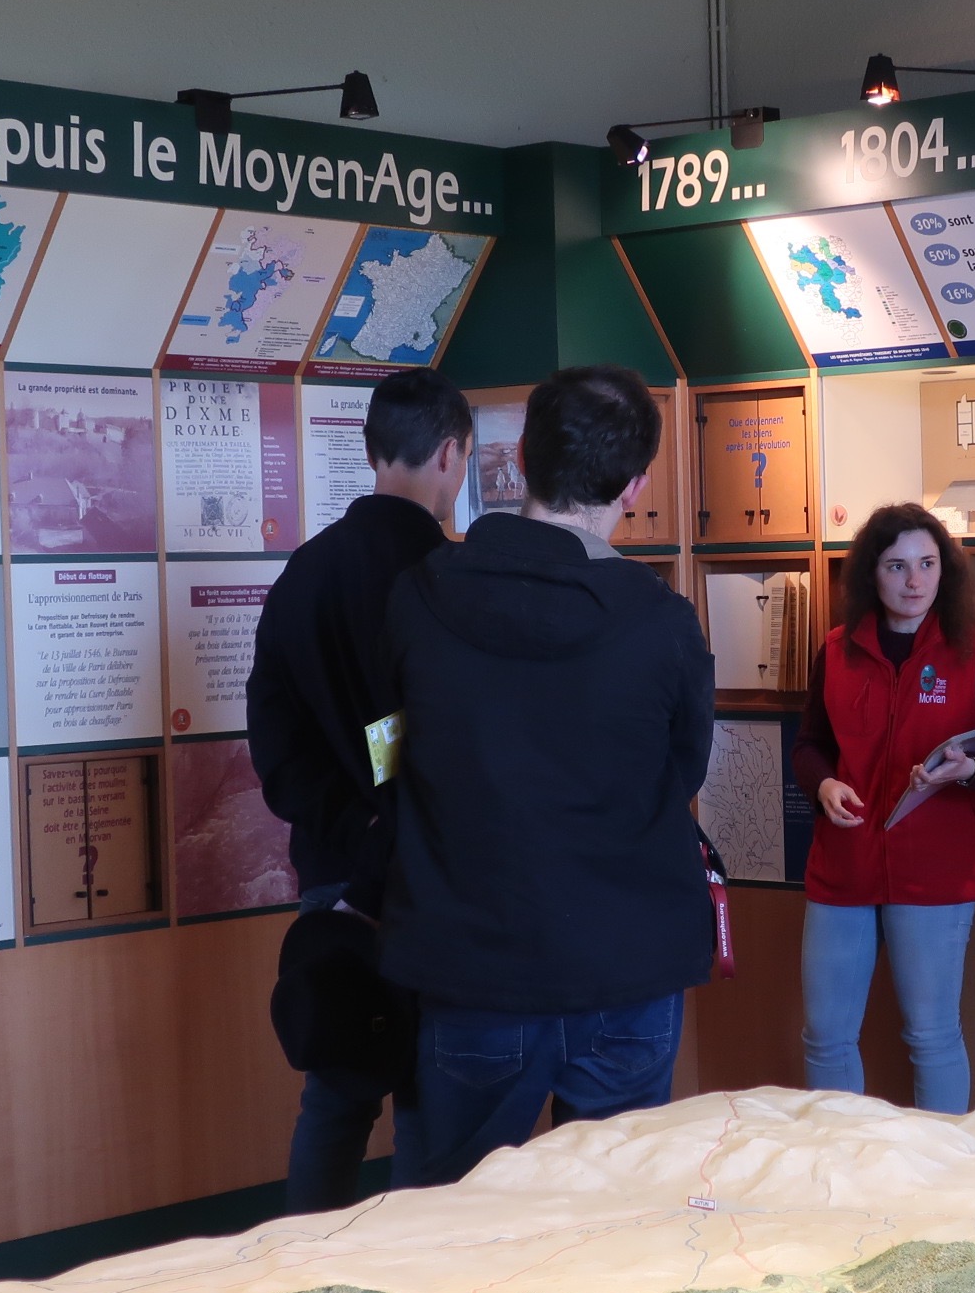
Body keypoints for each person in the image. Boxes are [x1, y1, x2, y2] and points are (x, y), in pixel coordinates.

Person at [380, 365, 713, 1186]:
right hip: (626, 963)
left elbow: (384, 751)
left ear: (520, 456)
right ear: (635, 485)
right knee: (615, 1220)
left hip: (470, 964)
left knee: (449, 1219)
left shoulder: (417, 598)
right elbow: (682, 771)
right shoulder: (664, 622)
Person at [248, 368, 472, 1212]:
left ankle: (307, 1269)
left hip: (336, 881)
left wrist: (352, 830)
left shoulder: (303, 575)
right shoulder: (453, 580)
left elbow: (276, 750)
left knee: (336, 1098)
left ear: (372, 448)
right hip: (438, 880)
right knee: (432, 1101)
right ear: (449, 454)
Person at [792, 505, 975, 1113]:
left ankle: (940, 1169)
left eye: (927, 564)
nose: (914, 581)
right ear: (870, 574)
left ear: (945, 571)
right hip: (843, 867)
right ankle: (836, 1160)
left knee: (931, 1037)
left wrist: (972, 770)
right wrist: (823, 784)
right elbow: (810, 746)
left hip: (935, 873)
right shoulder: (836, 651)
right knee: (825, 1037)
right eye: (897, 566)